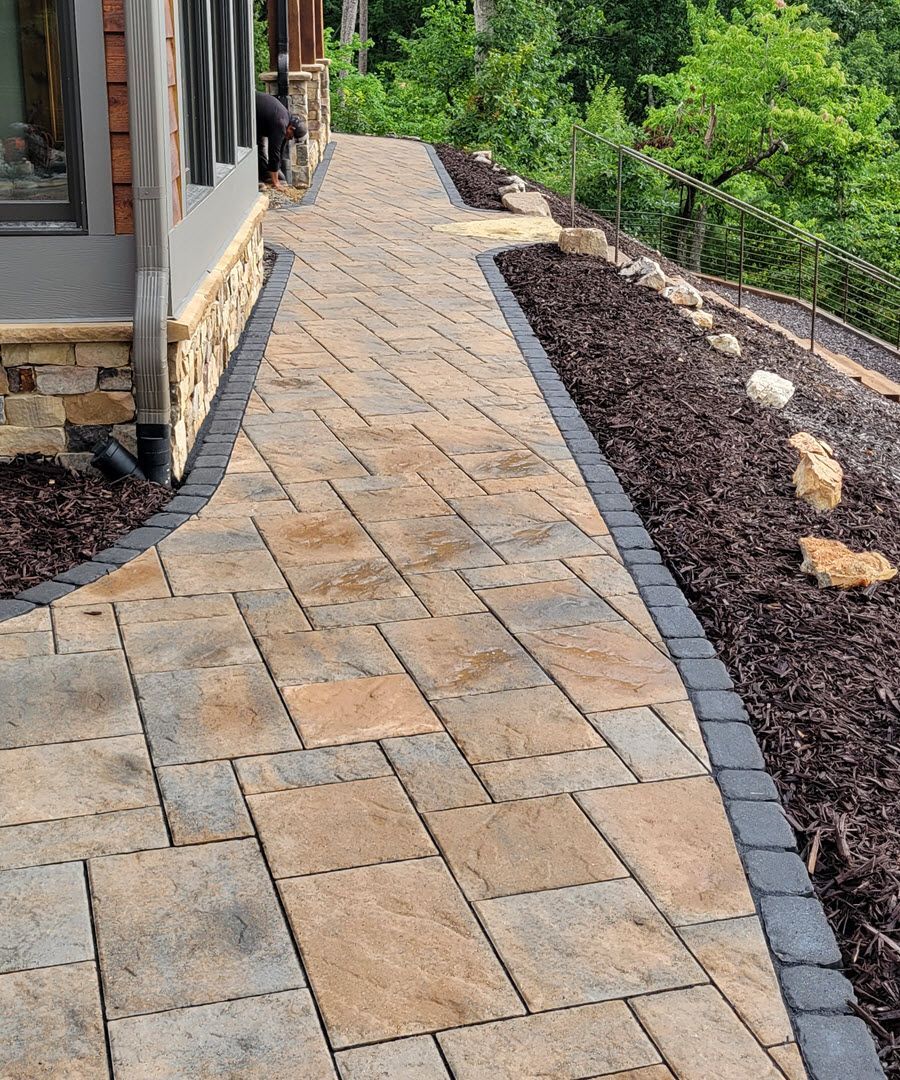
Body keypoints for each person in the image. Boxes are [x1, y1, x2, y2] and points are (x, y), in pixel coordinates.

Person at [256, 92, 306, 190]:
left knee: (260, 146)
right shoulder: (281, 124)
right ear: (291, 128)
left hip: (259, 122)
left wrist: (277, 171)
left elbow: (280, 150)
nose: (290, 139)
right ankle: (259, 178)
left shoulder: (287, 120)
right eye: (292, 137)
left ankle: (265, 175)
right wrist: (276, 183)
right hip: (246, 110)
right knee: (257, 147)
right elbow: (274, 153)